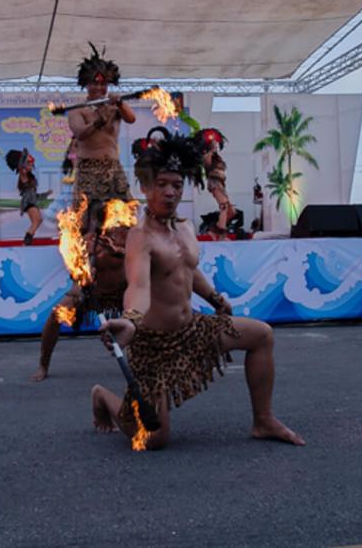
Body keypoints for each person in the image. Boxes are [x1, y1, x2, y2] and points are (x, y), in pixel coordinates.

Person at [91, 132, 304, 449]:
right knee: (154, 439)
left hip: (192, 329)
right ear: (146, 187)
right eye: (162, 184)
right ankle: (103, 397)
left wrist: (215, 300)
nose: (170, 192)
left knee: (262, 335)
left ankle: (263, 420)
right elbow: (139, 285)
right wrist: (130, 320)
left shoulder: (186, 227)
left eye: (177, 185)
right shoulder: (140, 237)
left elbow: (188, 269)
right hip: (155, 345)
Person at [30, 225, 129, 382]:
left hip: (124, 292)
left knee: (147, 316)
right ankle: (43, 364)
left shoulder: (124, 229)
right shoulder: (87, 236)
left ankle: (147, 363)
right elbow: (76, 274)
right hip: (94, 293)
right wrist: (81, 287)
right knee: (56, 315)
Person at [67, 44, 136, 234]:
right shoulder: (78, 109)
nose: (99, 87)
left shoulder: (115, 107)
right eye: (94, 84)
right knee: (84, 219)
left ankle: (124, 246)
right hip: (88, 168)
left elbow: (131, 118)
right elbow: (80, 133)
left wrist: (119, 103)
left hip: (112, 167)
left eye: (103, 84)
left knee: (126, 214)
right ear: (87, 85)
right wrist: (98, 120)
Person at [197, 127, 235, 237]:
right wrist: (210, 151)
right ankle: (221, 233)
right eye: (214, 144)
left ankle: (214, 230)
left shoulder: (217, 157)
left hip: (221, 184)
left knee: (232, 212)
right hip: (214, 182)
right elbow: (207, 164)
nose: (216, 145)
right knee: (224, 206)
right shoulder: (206, 156)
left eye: (216, 144)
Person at [5, 148, 44, 245]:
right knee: (36, 221)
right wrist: (24, 155)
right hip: (28, 201)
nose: (31, 165)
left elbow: (34, 192)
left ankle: (28, 240)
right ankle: (26, 242)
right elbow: (22, 164)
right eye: (28, 164)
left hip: (32, 200)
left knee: (38, 220)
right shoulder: (23, 173)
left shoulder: (29, 176)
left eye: (31, 164)